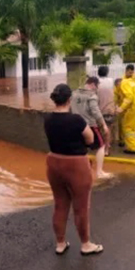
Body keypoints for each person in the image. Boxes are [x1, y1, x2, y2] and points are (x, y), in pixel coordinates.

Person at [44, 83, 103, 256]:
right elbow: (90, 139)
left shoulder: (47, 119)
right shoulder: (77, 120)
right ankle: (86, 244)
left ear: (55, 99)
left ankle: (60, 243)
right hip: (76, 165)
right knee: (81, 207)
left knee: (60, 205)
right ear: (69, 99)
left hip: (54, 163)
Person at [71, 77, 112, 179]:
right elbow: (95, 111)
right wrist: (103, 124)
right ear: (93, 84)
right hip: (90, 125)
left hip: (75, 125)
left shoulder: (74, 93)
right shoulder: (91, 96)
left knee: (80, 148)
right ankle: (99, 172)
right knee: (101, 146)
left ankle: (78, 173)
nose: (97, 89)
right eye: (97, 86)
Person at [96, 66, 116, 155]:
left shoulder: (96, 83)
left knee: (101, 131)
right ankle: (107, 148)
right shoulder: (111, 81)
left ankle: (103, 147)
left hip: (99, 110)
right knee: (108, 129)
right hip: (110, 109)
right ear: (107, 72)